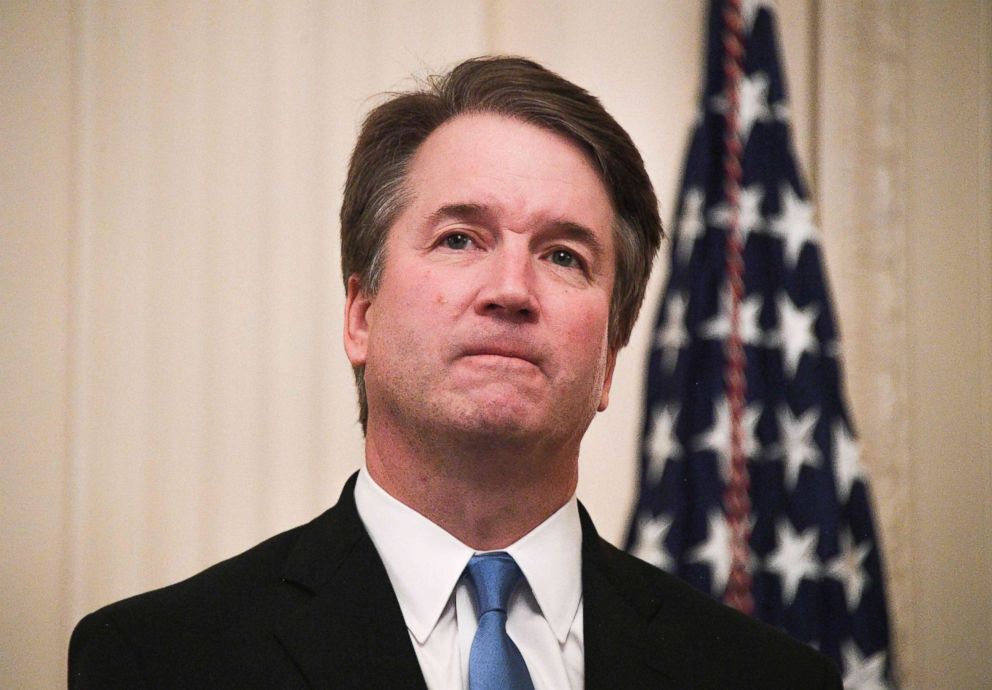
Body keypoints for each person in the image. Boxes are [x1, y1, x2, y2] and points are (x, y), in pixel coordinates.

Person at [69, 56, 842, 689]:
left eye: (563, 256)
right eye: (460, 240)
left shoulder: (767, 678)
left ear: (609, 357)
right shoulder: (158, 661)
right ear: (361, 316)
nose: (511, 289)